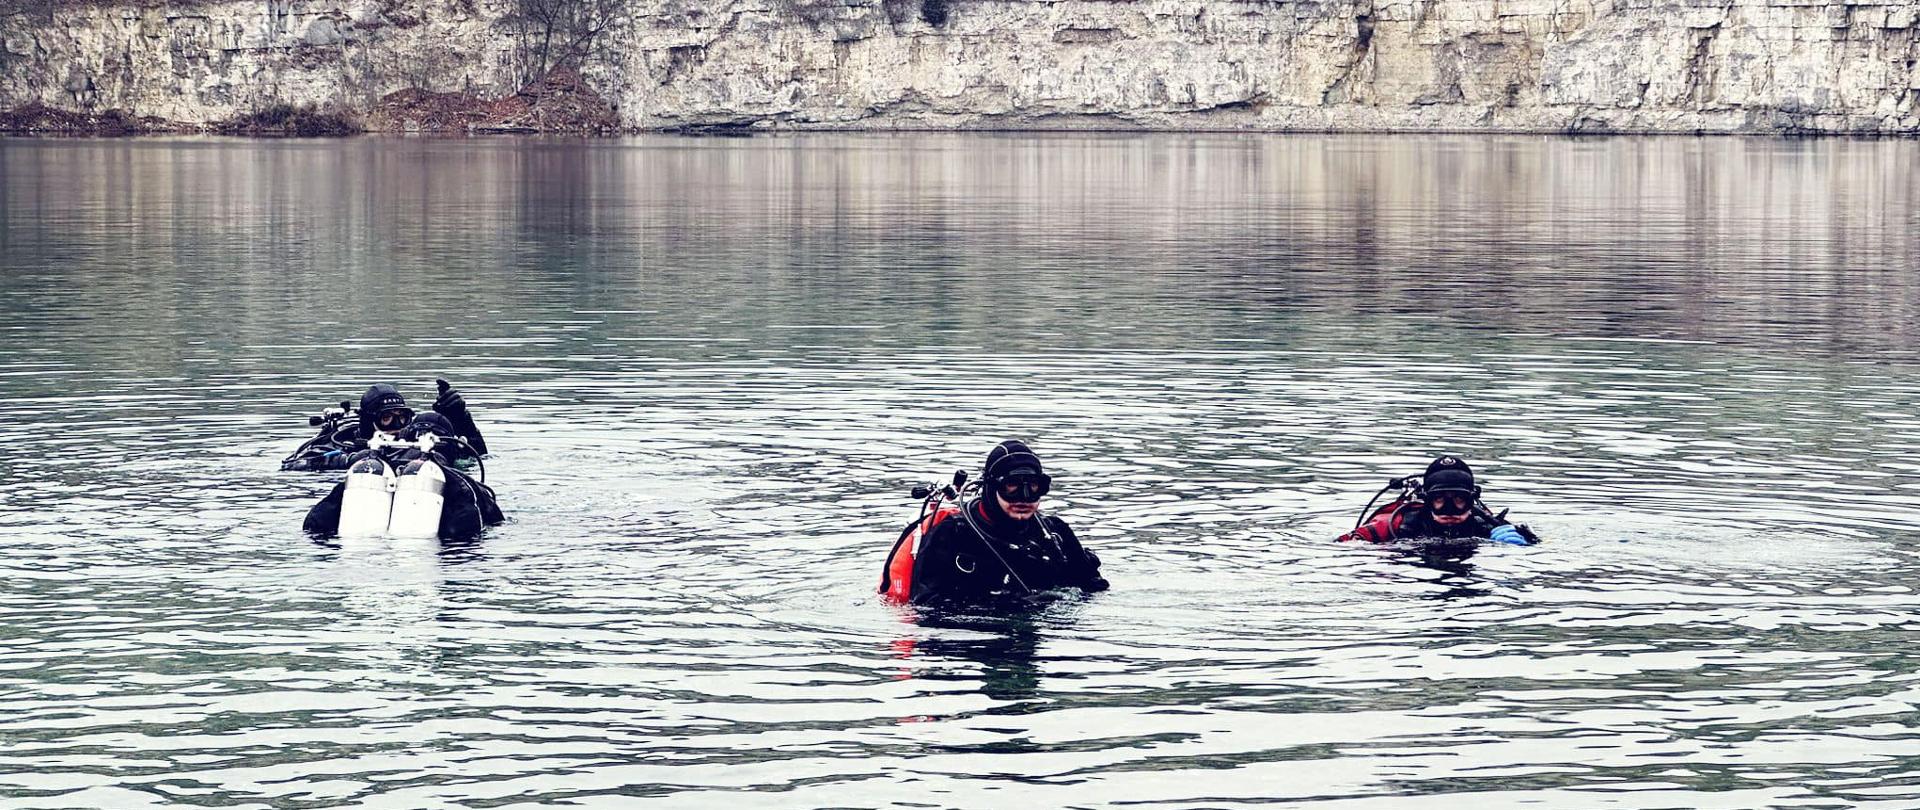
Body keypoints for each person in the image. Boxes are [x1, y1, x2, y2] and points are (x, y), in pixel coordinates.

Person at [908, 440, 1109, 606]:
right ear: (991, 487)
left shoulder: (1055, 533)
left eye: (1033, 486)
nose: (1023, 497)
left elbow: (1093, 585)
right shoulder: (953, 534)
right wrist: (1009, 604)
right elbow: (925, 605)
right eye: (1011, 485)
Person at [302, 411, 504, 540]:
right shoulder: (461, 483)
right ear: (451, 446)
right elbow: (491, 524)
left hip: (359, 555)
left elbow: (315, 525)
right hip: (439, 558)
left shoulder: (375, 473)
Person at [282, 380, 487, 471]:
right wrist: (352, 459)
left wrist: (462, 421)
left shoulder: (415, 442)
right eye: (386, 418)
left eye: (402, 417)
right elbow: (295, 465)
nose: (396, 425)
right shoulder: (343, 440)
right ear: (368, 421)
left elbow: (478, 456)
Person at [1339, 456, 1536, 545]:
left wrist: (1526, 543)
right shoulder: (1398, 524)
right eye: (1439, 499)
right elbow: (1345, 544)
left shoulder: (1488, 526)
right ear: (1427, 500)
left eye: (1459, 499)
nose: (1450, 509)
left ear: (1472, 500)